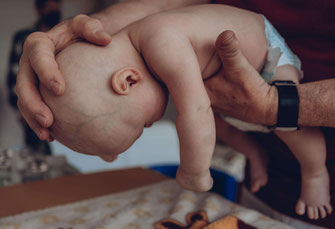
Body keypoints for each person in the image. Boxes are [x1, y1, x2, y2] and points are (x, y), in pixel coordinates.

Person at [14, 0, 335, 226]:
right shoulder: (137, 43)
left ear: (127, 80)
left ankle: (315, 171)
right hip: (231, 86)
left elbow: (195, 110)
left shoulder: (163, 43)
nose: (152, 121)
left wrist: (194, 172)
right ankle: (254, 152)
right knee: (219, 123)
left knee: (285, 118)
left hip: (269, 55)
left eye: (142, 124)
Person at [6, 0, 62, 154]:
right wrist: (21, 111)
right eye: (48, 4)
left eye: (56, 2)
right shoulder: (23, 39)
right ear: (38, 9)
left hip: (65, 110)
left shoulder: (68, 39)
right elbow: (13, 79)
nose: (53, 7)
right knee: (39, 161)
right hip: (34, 112)